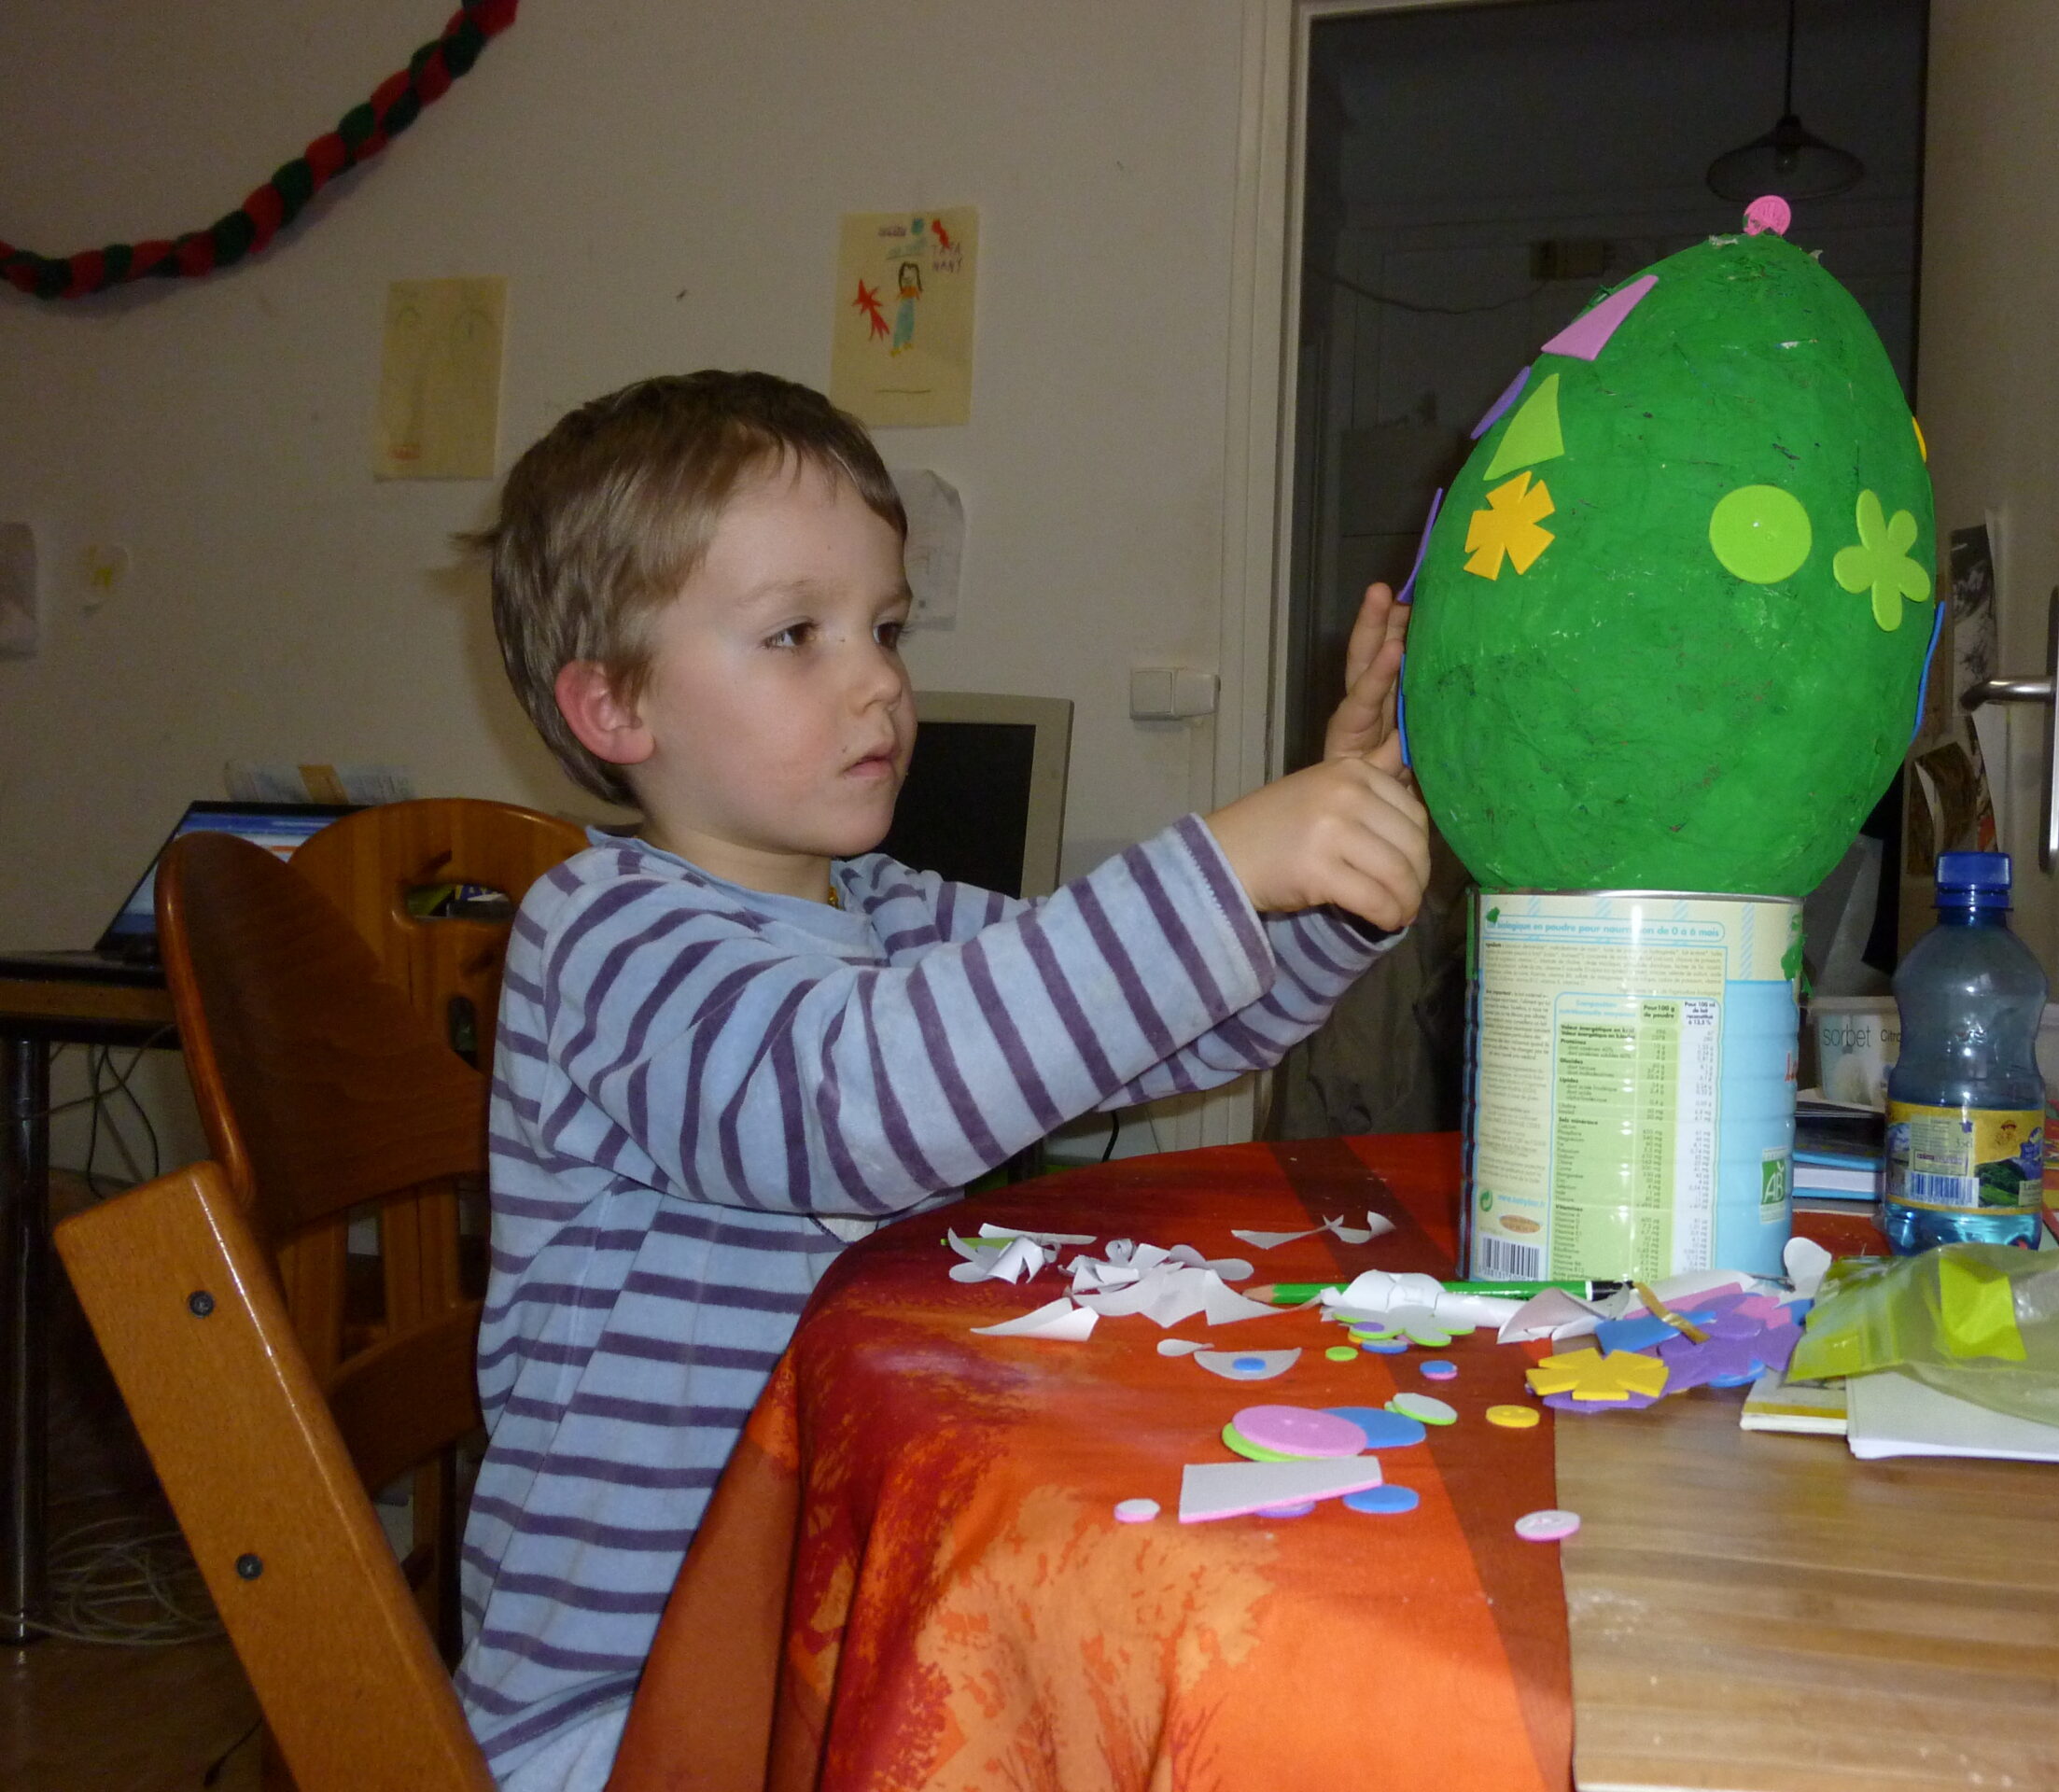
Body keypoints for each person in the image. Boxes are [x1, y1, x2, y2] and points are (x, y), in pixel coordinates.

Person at [458, 370, 1429, 1787]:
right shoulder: (607, 933)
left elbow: (1165, 1037)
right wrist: (1226, 865)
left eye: (887, 627)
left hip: (838, 1639)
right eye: (798, 634)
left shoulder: (888, 906)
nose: (880, 680)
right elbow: (858, 1111)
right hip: (630, 1710)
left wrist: (1323, 893)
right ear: (613, 709)